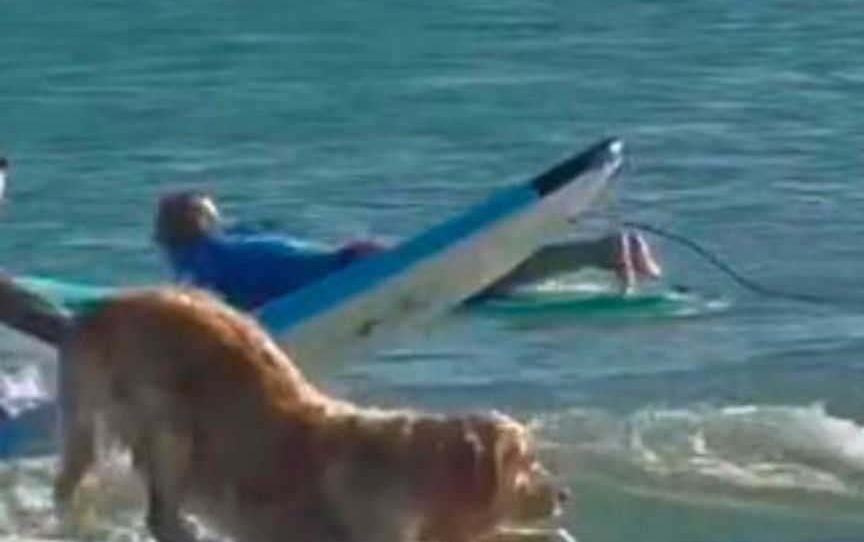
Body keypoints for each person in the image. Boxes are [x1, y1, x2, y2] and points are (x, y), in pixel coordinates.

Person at [153, 190, 662, 315]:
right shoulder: (227, 243)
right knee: (485, 284)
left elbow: (194, 308)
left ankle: (604, 250)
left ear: (171, 238)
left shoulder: (204, 261)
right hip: (356, 261)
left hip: (361, 274)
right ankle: (600, 251)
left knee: (485, 287)